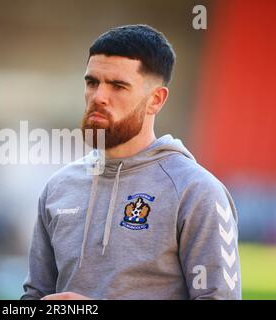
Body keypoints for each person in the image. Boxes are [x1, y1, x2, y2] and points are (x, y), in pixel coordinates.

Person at [21, 24, 241, 300]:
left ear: (155, 101)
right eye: (92, 82)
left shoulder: (196, 191)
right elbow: (34, 296)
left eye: (118, 86)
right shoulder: (59, 187)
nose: (99, 97)